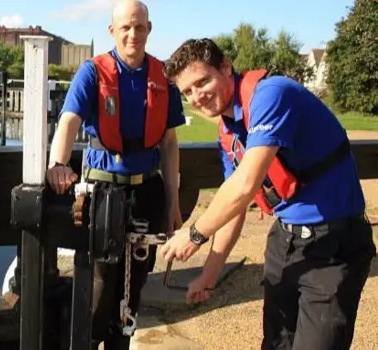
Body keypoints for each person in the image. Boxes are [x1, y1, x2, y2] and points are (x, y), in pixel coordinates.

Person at [160, 38, 376, 350]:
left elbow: (247, 182)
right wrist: (209, 274)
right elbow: (233, 202)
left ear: (226, 66)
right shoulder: (229, 130)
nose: (198, 96)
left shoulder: (272, 93)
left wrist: (194, 234)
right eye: (187, 91)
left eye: (202, 81)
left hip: (333, 244)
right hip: (284, 243)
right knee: (275, 344)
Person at [46, 0, 186, 350]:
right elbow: (68, 122)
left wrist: (172, 200)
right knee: (100, 284)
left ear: (149, 29)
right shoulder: (93, 72)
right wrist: (58, 165)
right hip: (103, 192)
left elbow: (169, 143)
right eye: (125, 27)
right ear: (113, 30)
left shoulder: (162, 78)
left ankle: (121, 342)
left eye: (140, 26)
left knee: (136, 282)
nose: (133, 34)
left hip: (147, 193)